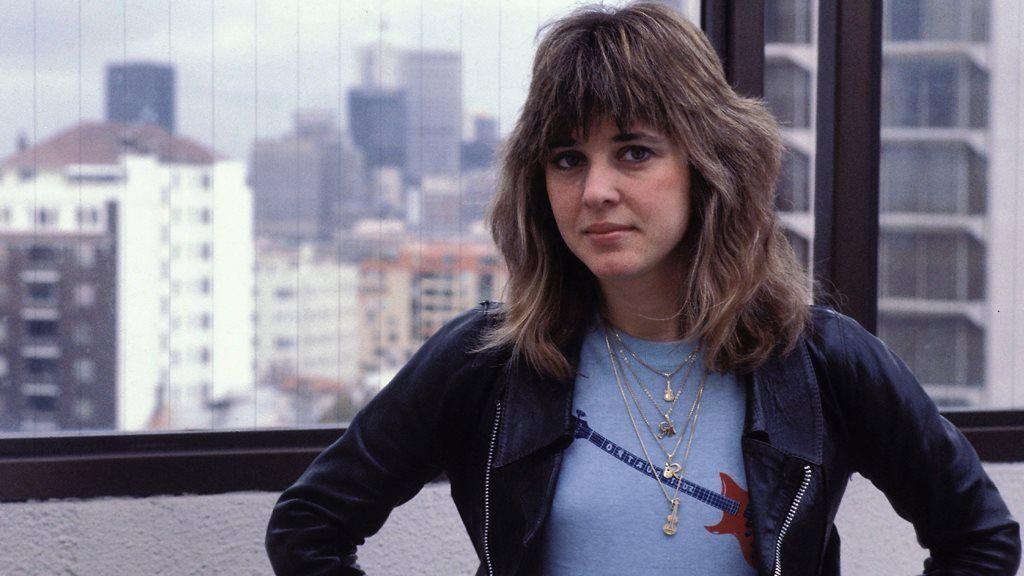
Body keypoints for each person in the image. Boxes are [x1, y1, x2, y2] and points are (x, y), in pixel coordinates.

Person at [265, 3, 1020, 575]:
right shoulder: (486, 360)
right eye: (566, 159)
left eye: (633, 152)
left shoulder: (820, 360)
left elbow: (980, 537)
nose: (595, 190)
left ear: (707, 165)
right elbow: (307, 528)